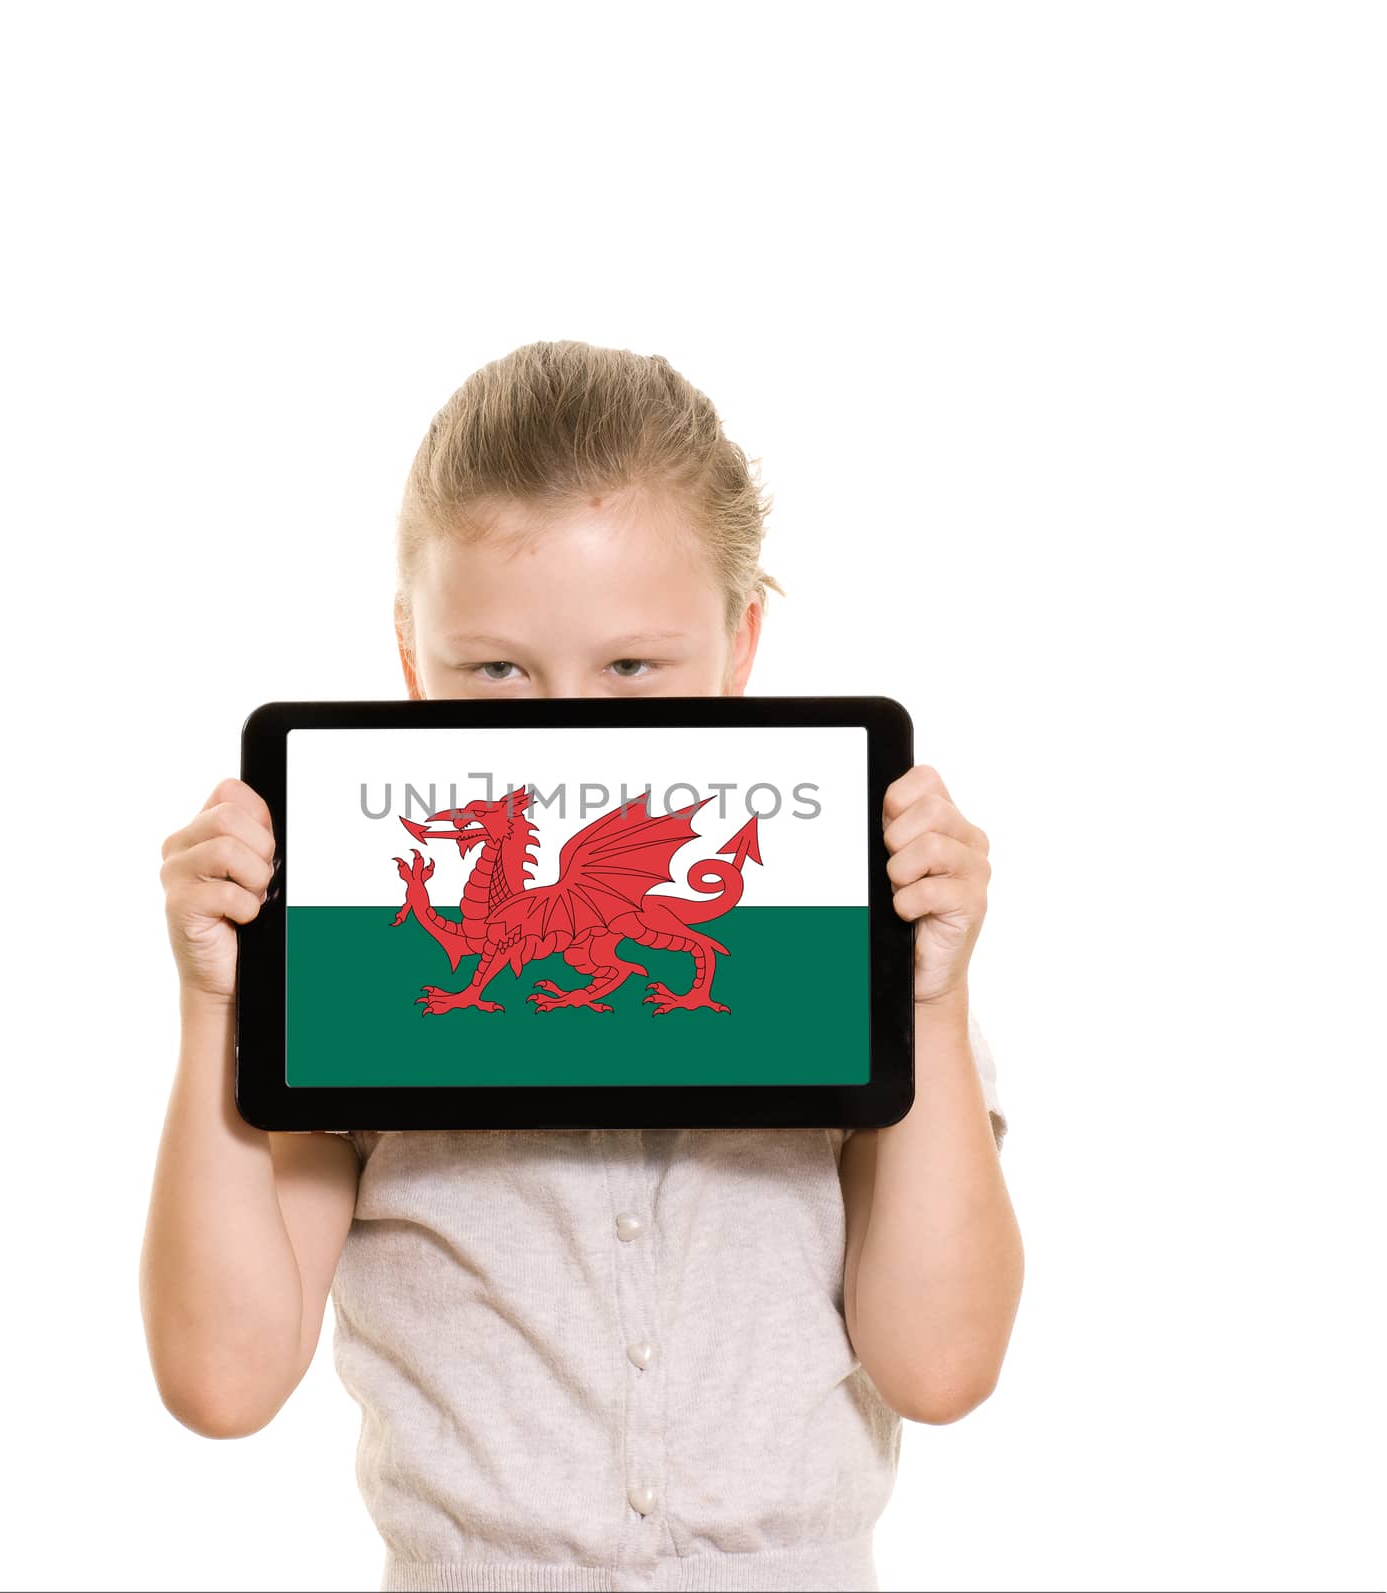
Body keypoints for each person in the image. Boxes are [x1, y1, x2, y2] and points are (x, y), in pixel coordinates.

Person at [144, 340, 1024, 1593]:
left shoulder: (837, 941)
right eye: (494, 670)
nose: (565, 719)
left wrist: (929, 996)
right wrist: (213, 1004)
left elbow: (940, 1366)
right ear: (410, 657)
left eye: (632, 668)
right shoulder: (348, 972)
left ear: (739, 646)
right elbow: (222, 1381)